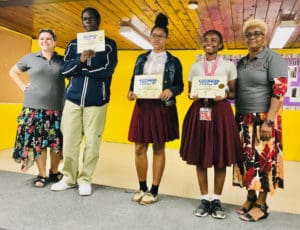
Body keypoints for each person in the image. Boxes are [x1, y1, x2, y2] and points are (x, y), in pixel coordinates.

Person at [51, 7, 118, 196]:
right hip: (72, 100)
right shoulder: (73, 45)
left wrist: (80, 71)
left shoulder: (109, 45)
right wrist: (81, 60)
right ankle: (69, 178)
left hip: (97, 102)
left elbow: (107, 71)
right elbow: (64, 71)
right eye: (85, 18)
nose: (88, 20)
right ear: (82, 22)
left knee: (92, 143)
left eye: (91, 18)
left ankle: (85, 179)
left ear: (98, 20)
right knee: (70, 141)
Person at [180, 30, 242, 219]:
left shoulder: (229, 65)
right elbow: (190, 92)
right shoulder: (195, 67)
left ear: (220, 44)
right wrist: (192, 95)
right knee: (200, 156)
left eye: (214, 40)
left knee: (220, 157)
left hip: (221, 113)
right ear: (202, 43)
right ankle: (205, 198)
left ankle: (216, 199)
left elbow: (233, 92)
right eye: (206, 40)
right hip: (200, 111)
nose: (209, 42)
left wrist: (224, 96)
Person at [233, 19, 287, 222]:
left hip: (264, 119)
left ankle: (262, 204)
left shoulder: (273, 59)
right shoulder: (242, 61)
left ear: (265, 37)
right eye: (249, 34)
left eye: (257, 33)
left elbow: (279, 91)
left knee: (263, 163)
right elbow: (235, 89)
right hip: (243, 119)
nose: (253, 37)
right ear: (244, 38)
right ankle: (250, 197)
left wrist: (269, 121)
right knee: (246, 162)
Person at [127, 13, 183, 205]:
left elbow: (180, 85)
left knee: (159, 148)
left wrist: (171, 90)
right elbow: (133, 81)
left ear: (166, 39)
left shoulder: (173, 61)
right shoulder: (141, 59)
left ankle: (154, 190)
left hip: (162, 107)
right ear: (149, 38)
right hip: (142, 106)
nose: (157, 39)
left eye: (161, 36)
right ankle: (142, 187)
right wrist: (131, 92)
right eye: (154, 36)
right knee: (139, 148)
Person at [9, 28, 65, 187]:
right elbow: (13, 72)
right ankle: (41, 174)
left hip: (58, 109)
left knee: (56, 143)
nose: (44, 42)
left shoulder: (62, 60)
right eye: (41, 39)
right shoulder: (30, 58)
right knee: (38, 142)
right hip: (34, 108)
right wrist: (22, 87)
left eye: (48, 39)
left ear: (54, 42)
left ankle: (54, 172)